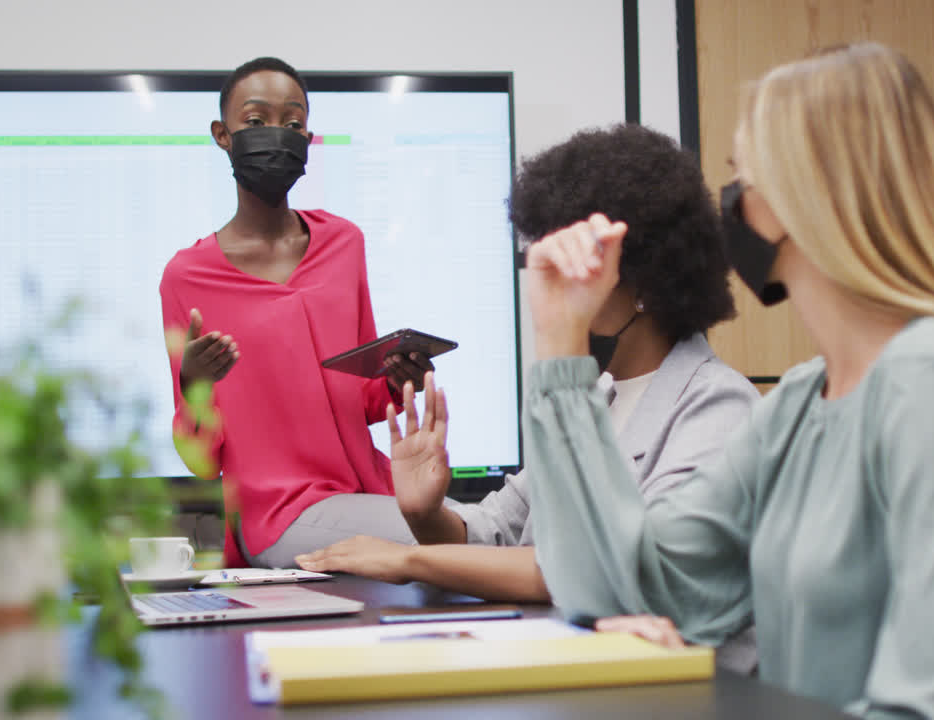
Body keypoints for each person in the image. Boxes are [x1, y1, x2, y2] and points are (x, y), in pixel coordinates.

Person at [520, 44, 934, 719]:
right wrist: (561, 341)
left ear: (802, 196)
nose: (730, 208)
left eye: (741, 179)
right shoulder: (798, 405)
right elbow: (631, 585)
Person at [297, 125, 761, 669]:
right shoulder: (595, 397)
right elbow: (496, 535)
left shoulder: (718, 407)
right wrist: (425, 513)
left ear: (641, 275)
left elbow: (610, 574)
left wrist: (410, 560)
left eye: (577, 265)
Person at [160, 57, 431, 569]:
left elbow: (364, 394)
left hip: (366, 491)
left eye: (292, 122)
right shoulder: (186, 277)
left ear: (307, 136)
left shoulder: (344, 243)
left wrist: (400, 378)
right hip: (277, 516)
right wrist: (193, 384)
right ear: (222, 135)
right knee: (470, 535)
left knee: (491, 526)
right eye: (255, 120)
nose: (277, 134)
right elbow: (202, 463)